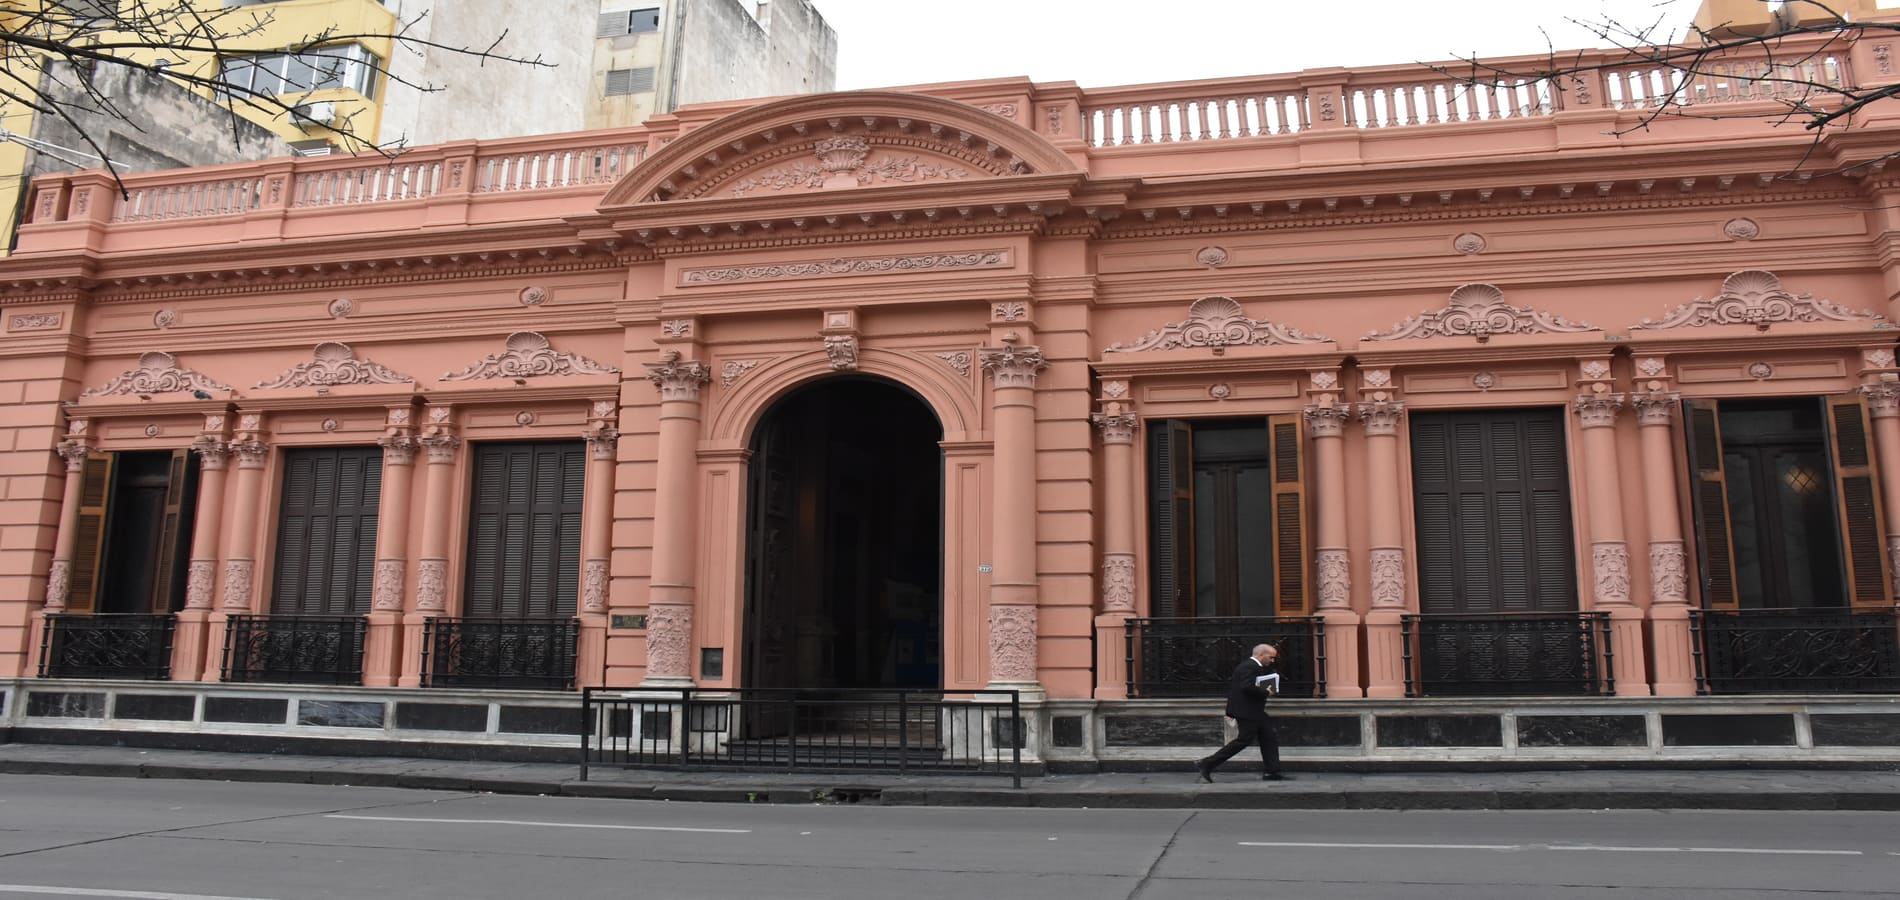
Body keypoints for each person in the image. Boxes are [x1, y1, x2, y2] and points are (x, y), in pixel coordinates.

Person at [1195, 643, 1289, 782]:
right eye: (1271, 657)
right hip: (1247, 711)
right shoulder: (1250, 666)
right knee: (1244, 740)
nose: (1272, 660)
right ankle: (1207, 763)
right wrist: (1266, 692)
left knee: (1269, 736)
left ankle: (1272, 771)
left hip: (1254, 711)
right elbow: (1246, 686)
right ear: (1261, 654)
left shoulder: (1251, 666)